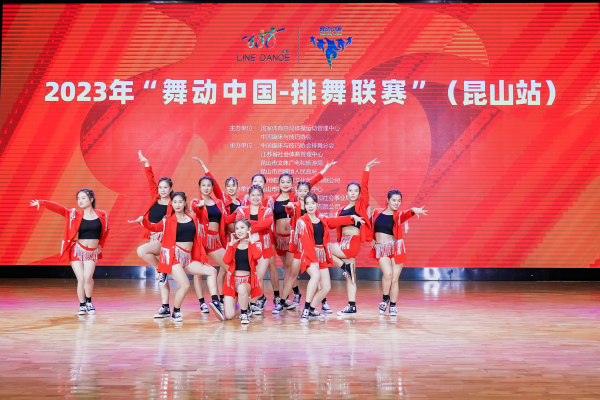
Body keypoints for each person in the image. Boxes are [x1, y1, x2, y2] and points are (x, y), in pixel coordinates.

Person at [131, 192, 224, 321]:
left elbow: (198, 237)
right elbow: (154, 227)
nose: (177, 204)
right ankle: (176, 311)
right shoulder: (168, 220)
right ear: (172, 204)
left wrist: (202, 257)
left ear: (185, 203)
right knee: (185, 285)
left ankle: (215, 301)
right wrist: (143, 221)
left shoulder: (192, 219)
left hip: (188, 259)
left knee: (212, 271)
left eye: (180, 201)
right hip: (174, 258)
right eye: (175, 202)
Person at [267, 161, 337, 313]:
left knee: (317, 274)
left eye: (288, 182)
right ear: (278, 184)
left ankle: (323, 302)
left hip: (311, 246)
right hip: (296, 245)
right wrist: (291, 207)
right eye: (282, 182)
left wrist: (324, 169)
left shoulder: (306, 203)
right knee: (292, 274)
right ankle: (282, 302)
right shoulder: (287, 202)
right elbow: (289, 209)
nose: (303, 193)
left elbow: (309, 184)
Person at [30, 189, 109, 315]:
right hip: (77, 251)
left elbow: (105, 230)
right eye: (78, 198)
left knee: (88, 277)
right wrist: (42, 202)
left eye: (83, 198)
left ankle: (89, 302)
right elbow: (59, 209)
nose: (80, 201)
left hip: (92, 252)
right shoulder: (74, 214)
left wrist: (100, 245)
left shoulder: (102, 214)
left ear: (91, 199)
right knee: (81, 279)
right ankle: (82, 305)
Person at [295, 193, 364, 322]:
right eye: (307, 203)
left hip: (321, 256)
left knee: (326, 287)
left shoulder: (322, 219)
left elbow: (335, 221)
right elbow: (306, 243)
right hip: (309, 256)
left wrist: (352, 217)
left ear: (317, 204)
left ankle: (311, 309)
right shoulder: (302, 221)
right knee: (315, 276)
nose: (310, 206)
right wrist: (314, 260)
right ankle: (306, 309)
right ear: (304, 205)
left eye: (313, 203)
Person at [331, 159, 380, 317]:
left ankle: (343, 267)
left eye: (355, 191)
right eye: (350, 191)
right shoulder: (341, 209)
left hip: (352, 242)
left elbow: (365, 187)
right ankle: (351, 306)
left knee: (324, 249)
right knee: (351, 278)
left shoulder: (360, 205)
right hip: (343, 242)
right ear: (346, 193)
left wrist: (366, 169)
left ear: (359, 194)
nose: (353, 193)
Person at [371, 190, 427, 315]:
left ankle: (393, 305)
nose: (396, 203)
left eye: (399, 201)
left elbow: (407, 214)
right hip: (382, 248)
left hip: (396, 248)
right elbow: (370, 226)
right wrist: (372, 239)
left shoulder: (398, 215)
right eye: (394, 200)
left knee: (394, 279)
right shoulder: (377, 212)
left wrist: (413, 210)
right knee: (388, 274)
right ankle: (385, 299)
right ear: (388, 200)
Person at [134, 150, 174, 318]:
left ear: (171, 189)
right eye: (160, 187)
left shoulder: (174, 203)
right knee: (161, 275)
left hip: (166, 241)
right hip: (154, 238)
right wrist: (146, 163)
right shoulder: (155, 197)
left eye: (166, 187)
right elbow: (150, 180)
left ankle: (161, 270)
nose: (162, 190)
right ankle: (165, 306)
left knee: (141, 250)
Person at [190, 175, 229, 313]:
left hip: (215, 240)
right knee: (199, 273)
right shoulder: (196, 201)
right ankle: (202, 303)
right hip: (200, 240)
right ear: (199, 187)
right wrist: (200, 206)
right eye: (203, 185)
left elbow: (224, 220)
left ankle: (224, 298)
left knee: (230, 265)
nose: (206, 188)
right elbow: (195, 210)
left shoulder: (218, 202)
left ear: (212, 187)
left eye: (208, 185)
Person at [235, 185, 274, 315]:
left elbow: (267, 223)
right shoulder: (242, 209)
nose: (256, 197)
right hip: (246, 247)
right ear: (249, 196)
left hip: (263, 247)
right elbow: (240, 224)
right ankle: (247, 302)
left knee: (258, 276)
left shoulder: (267, 210)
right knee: (249, 276)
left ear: (262, 196)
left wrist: (248, 225)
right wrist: (259, 224)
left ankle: (253, 304)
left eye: (258, 195)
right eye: (253, 195)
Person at [221, 218, 263, 324]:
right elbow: (226, 261)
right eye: (237, 228)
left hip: (246, 282)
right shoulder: (232, 245)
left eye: (242, 228)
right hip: (231, 282)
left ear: (249, 229)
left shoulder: (255, 244)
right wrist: (231, 244)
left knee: (241, 288)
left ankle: (244, 313)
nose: (239, 231)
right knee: (229, 316)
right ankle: (244, 305)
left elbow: (257, 256)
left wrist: (251, 241)